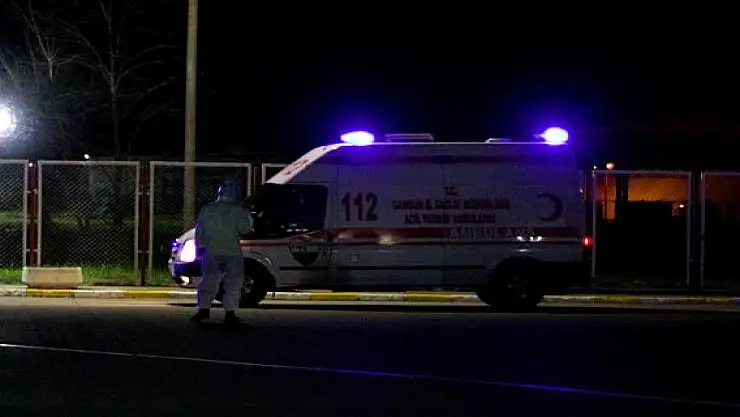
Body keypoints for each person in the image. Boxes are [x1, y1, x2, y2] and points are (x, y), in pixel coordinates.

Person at [190, 179, 253, 325]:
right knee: (233, 283)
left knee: (208, 280)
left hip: (211, 251)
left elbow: (199, 230)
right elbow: (245, 229)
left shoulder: (207, 209)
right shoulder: (238, 210)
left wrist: (199, 247)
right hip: (232, 251)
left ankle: (203, 309)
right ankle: (230, 313)